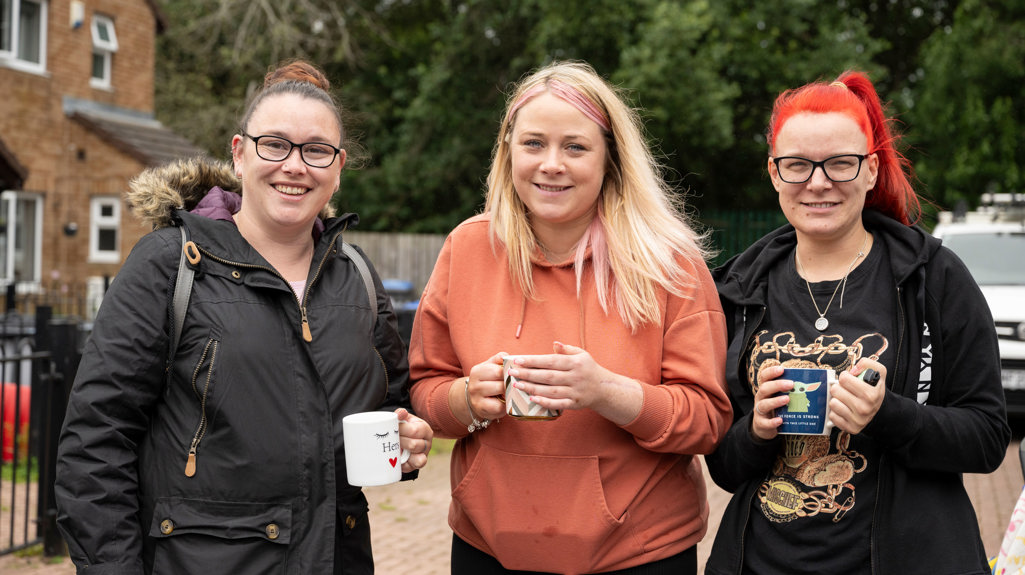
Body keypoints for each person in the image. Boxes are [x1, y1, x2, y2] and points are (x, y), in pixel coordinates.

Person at [55, 60, 433, 575]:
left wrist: (407, 444)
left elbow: (388, 411)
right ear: (239, 153)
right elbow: (94, 442)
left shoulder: (358, 278)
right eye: (274, 144)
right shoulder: (169, 264)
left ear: (339, 167)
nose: (294, 166)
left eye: (316, 150)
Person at [407, 60, 733, 575]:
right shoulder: (467, 248)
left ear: (611, 159)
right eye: (533, 143)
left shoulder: (671, 264)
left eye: (575, 147)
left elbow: (707, 421)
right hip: (488, 548)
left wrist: (607, 392)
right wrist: (467, 398)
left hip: (638, 552)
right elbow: (426, 392)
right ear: (507, 152)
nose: (551, 164)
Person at [704, 70, 1010, 574]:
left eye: (840, 164)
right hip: (761, 561)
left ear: (870, 170)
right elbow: (723, 465)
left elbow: (987, 437)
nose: (818, 182)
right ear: (774, 172)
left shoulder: (934, 278)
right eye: (797, 165)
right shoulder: (737, 290)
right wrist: (755, 431)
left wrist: (888, 414)